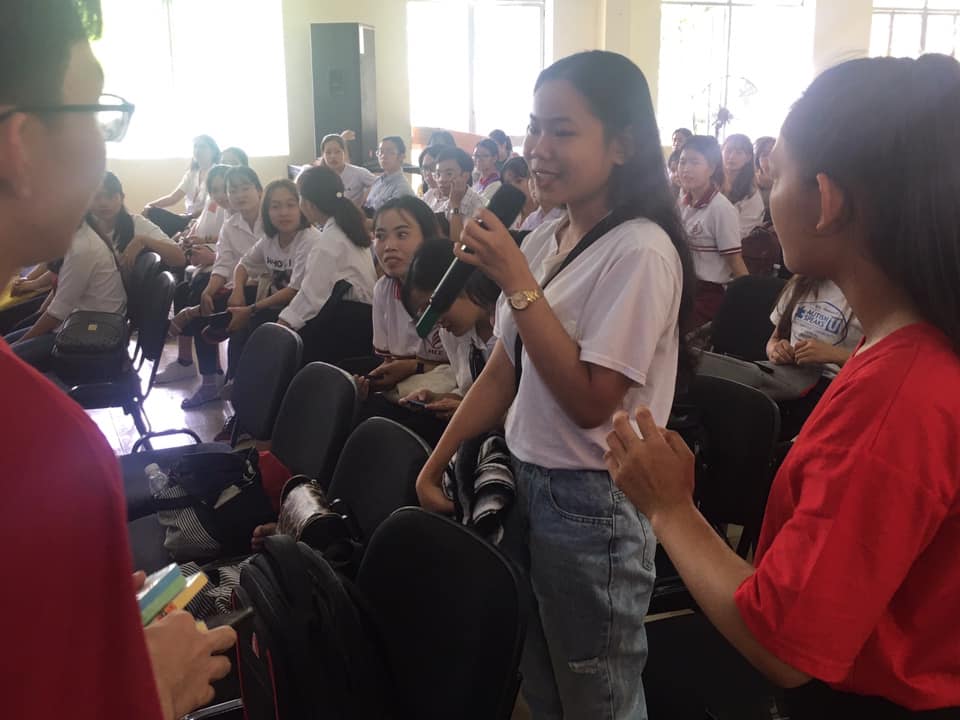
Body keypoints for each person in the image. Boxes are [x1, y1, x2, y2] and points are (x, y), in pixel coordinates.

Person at [607, 54, 960, 719]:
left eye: (777, 173)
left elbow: (785, 648)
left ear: (827, 200)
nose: (769, 192)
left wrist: (670, 508)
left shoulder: (900, 398)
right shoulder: (908, 346)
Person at [416, 50, 695, 719]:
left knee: (598, 693)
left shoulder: (640, 250)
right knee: (539, 677)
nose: (538, 149)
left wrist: (516, 280)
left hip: (592, 502)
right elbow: (504, 369)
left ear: (622, 144)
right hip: (526, 480)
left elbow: (590, 401)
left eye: (562, 131)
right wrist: (435, 461)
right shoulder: (549, 236)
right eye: (534, 127)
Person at [0, 2, 236, 718]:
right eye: (99, 116)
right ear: (22, 146)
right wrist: (144, 687)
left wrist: (81, 628)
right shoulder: (38, 448)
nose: (105, 151)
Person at [346, 196, 450, 444]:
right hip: (408, 382)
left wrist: (414, 367)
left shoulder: (451, 291)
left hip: (447, 391)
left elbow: (466, 369)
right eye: (380, 236)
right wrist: (378, 380)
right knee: (344, 387)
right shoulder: (384, 289)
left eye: (402, 235)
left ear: (428, 238)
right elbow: (389, 360)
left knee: (378, 427)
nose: (389, 246)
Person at [173, 165, 264, 409]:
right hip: (240, 285)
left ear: (259, 190)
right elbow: (223, 263)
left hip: (263, 289)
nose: (238, 195)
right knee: (203, 296)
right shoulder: (231, 224)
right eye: (233, 190)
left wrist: (234, 287)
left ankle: (230, 382)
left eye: (245, 188)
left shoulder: (270, 219)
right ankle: (210, 382)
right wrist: (210, 290)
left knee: (213, 309)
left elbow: (267, 267)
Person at [278, 165, 378, 364]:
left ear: (308, 204)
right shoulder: (347, 228)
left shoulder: (328, 243)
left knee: (288, 348)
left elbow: (310, 296)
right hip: (362, 320)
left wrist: (281, 326)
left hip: (350, 325)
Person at [222, 178, 318, 372]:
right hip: (273, 307)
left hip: (302, 313)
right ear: (266, 211)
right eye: (275, 206)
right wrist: (238, 291)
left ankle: (248, 381)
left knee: (251, 324)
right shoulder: (270, 238)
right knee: (236, 320)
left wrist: (251, 309)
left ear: (302, 207)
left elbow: (294, 290)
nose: (283, 212)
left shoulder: (309, 239)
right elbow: (243, 265)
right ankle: (234, 379)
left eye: (291, 205)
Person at [4, 218, 127, 370]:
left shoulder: (83, 248)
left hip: (89, 333)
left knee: (6, 360)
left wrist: (16, 347)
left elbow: (57, 314)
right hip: (74, 321)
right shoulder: (78, 237)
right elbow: (60, 281)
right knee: (6, 344)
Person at [401, 238, 499, 418]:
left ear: (458, 282)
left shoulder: (513, 325)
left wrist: (475, 413)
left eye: (432, 307)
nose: (436, 322)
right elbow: (468, 394)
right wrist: (438, 399)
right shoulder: (451, 335)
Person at [156, 163, 232, 383]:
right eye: (214, 190)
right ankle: (185, 362)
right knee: (182, 290)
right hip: (216, 265)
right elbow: (207, 230)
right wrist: (190, 237)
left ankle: (212, 374)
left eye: (225, 188)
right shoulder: (214, 203)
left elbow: (245, 257)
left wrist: (211, 256)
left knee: (198, 292)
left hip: (233, 276)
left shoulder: (240, 214)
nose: (220, 195)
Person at [767, 275, 863, 439]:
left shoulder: (868, 294)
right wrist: (776, 350)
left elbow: (882, 368)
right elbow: (774, 340)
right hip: (788, 378)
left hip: (833, 387)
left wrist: (836, 356)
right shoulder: (801, 283)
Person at [678, 134, 748, 327]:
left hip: (708, 295)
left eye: (694, 162)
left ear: (711, 168)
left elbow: (735, 261)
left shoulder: (721, 209)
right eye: (682, 162)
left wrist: (749, 300)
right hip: (682, 284)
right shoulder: (682, 203)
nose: (686, 168)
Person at [86, 171, 185, 270]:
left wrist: (144, 240)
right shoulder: (83, 229)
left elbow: (180, 258)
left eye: (110, 196)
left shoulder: (136, 223)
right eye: (96, 197)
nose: (103, 203)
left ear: (122, 197)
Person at [144, 134, 221, 236]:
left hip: (203, 219)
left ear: (213, 151)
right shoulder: (192, 174)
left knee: (161, 222)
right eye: (195, 146)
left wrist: (190, 216)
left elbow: (212, 204)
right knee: (152, 212)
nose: (198, 150)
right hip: (187, 218)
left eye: (202, 147)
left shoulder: (217, 173)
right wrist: (149, 205)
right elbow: (173, 198)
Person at [433, 146, 486, 243]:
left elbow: (459, 246)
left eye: (449, 174)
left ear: (465, 176)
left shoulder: (480, 208)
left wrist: (455, 205)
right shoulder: (445, 205)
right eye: (438, 174)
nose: (441, 180)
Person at [316, 133, 376, 208]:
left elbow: (379, 184)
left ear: (344, 152)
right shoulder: (317, 176)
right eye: (328, 152)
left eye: (337, 152)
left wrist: (362, 201)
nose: (333, 156)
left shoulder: (358, 172)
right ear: (323, 154)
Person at [721, 133, 765, 237]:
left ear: (748, 157)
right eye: (728, 151)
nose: (731, 156)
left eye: (738, 152)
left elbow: (740, 233)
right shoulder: (709, 183)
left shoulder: (751, 195)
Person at [365, 135, 415, 212]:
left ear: (401, 156)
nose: (383, 156)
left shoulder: (402, 188)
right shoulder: (377, 181)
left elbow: (392, 217)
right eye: (381, 152)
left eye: (390, 152)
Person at [500, 156, 537, 227]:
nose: (513, 188)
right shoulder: (508, 215)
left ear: (532, 180)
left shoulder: (545, 216)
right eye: (507, 184)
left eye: (518, 181)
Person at [472, 138, 502, 202]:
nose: (479, 159)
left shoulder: (496, 183)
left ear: (494, 158)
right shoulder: (478, 178)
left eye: (485, 156)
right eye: (476, 155)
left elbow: (479, 206)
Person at [754, 135, 776, 218]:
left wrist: (774, 185)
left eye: (773, 153)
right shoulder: (750, 184)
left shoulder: (792, 182)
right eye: (764, 155)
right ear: (758, 160)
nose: (770, 158)